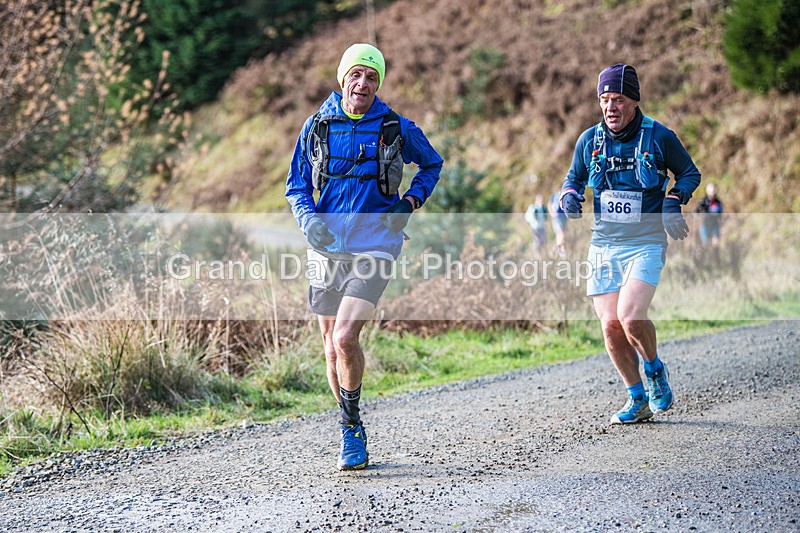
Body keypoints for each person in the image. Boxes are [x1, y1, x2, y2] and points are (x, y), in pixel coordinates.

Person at [286, 43, 443, 470]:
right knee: (329, 346)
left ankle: (353, 427)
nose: (363, 83)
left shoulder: (395, 126)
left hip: (376, 244)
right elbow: (296, 186)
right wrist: (308, 221)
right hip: (326, 247)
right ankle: (346, 424)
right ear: (343, 79)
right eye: (356, 74)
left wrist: (409, 203)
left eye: (372, 77)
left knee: (344, 337)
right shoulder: (317, 125)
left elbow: (432, 164)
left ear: (379, 84)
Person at [559, 63, 701, 424]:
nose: (611, 107)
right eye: (604, 99)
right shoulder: (589, 140)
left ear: (634, 101)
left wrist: (673, 200)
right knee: (610, 326)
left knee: (631, 317)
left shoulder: (658, 136)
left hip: (646, 242)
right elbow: (572, 179)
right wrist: (570, 197)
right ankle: (636, 397)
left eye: (618, 99)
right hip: (604, 245)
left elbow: (689, 172)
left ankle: (654, 370)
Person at [696, 182, 723, 249]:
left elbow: (720, 212)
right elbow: (697, 211)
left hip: (715, 224)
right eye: (712, 192)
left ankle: (715, 257)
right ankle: (706, 257)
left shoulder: (717, 201)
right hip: (706, 224)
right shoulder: (703, 201)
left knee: (716, 243)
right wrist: (702, 212)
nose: (713, 194)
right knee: (706, 244)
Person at [548, 191, 568, 258]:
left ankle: (558, 250)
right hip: (556, 217)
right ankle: (559, 249)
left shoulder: (565, 195)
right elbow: (549, 205)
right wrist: (552, 213)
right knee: (561, 233)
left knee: (561, 234)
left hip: (564, 217)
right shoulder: (554, 195)